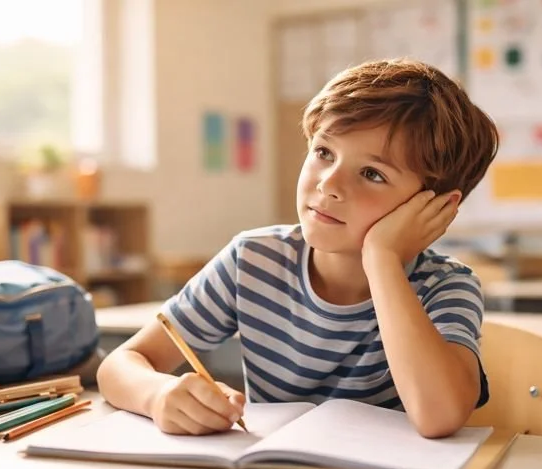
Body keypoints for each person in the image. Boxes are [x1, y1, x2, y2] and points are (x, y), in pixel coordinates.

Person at [96, 58, 499, 439]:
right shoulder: (253, 260)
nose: (329, 184)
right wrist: (157, 395)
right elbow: (120, 364)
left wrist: (382, 259)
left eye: (372, 173)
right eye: (324, 152)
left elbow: (439, 416)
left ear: (435, 206)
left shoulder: (446, 286)